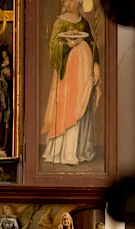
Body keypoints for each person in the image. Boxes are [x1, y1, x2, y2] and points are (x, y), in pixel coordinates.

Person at [40, 0, 101, 166]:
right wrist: (69, 45)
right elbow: (53, 46)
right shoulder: (59, 22)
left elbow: (92, 44)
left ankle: (81, 150)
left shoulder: (84, 23)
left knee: (83, 108)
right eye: (64, 0)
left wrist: (95, 65)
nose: (66, 2)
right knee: (69, 108)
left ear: (79, 2)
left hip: (84, 74)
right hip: (67, 74)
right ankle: (66, 153)